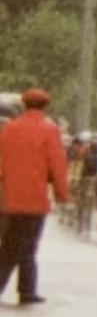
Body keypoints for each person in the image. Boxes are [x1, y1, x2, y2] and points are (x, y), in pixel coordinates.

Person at [0, 89, 70, 304]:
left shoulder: (10, 129)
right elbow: (58, 166)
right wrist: (62, 195)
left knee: (14, 242)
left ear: (24, 105)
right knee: (25, 245)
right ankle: (26, 290)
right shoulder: (50, 130)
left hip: (9, 197)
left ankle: (27, 290)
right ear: (45, 106)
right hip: (35, 199)